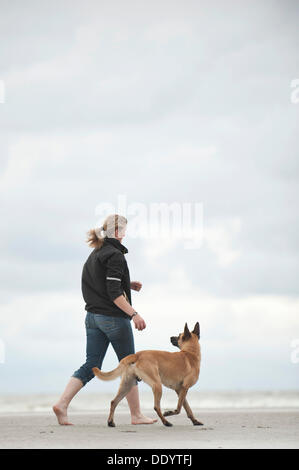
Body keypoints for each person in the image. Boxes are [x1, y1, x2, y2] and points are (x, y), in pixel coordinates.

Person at [53, 214, 157, 425]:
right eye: (125, 230)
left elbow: (101, 284)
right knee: (130, 364)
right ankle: (136, 415)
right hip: (113, 319)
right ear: (117, 232)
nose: (125, 234)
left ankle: (62, 404)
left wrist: (127, 284)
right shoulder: (116, 255)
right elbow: (112, 293)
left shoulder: (95, 253)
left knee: (91, 363)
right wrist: (134, 314)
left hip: (92, 318)